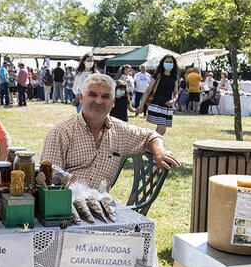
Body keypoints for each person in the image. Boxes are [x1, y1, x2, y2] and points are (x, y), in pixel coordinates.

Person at [41, 73, 181, 191]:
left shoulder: (120, 130)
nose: (98, 101)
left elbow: (151, 135)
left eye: (105, 96)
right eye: (92, 95)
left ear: (113, 102)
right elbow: (47, 180)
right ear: (81, 98)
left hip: (101, 206)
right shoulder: (61, 132)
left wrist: (159, 151)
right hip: (64, 206)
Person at [136, 54, 181, 135]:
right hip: (156, 103)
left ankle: (148, 140)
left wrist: (173, 101)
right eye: (166, 61)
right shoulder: (158, 75)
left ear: (174, 64)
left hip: (167, 105)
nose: (168, 63)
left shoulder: (174, 78)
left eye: (170, 62)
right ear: (162, 63)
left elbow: (176, 93)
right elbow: (148, 90)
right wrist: (141, 105)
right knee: (162, 129)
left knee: (160, 130)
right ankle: (152, 141)